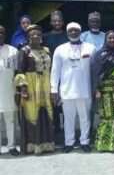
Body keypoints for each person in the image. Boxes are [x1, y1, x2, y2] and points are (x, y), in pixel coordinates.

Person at [51, 22, 96, 153]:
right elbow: (55, 71)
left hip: (85, 89)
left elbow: (95, 70)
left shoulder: (90, 48)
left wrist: (95, 88)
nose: (73, 33)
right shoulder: (60, 49)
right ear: (67, 32)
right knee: (68, 118)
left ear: (80, 32)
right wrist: (54, 89)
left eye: (76, 30)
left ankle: (84, 141)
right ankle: (69, 142)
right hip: (66, 90)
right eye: (71, 30)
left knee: (85, 117)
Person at [15, 25, 55, 155]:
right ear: (28, 37)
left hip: (46, 84)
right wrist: (23, 89)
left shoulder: (47, 50)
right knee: (32, 114)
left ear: (41, 37)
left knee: (46, 112)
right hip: (31, 86)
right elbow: (19, 71)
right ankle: (33, 145)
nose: (35, 36)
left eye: (38, 34)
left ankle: (46, 144)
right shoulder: (24, 51)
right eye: (32, 35)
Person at [90, 31, 114, 152]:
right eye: (110, 38)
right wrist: (96, 89)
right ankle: (105, 144)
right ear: (106, 40)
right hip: (106, 91)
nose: (112, 40)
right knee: (108, 116)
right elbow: (95, 73)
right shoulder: (99, 55)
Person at [42, 10, 68, 143]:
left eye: (59, 20)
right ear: (51, 22)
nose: (57, 23)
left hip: (66, 75)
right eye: (54, 20)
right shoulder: (45, 37)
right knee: (53, 106)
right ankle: (56, 133)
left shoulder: (68, 36)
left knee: (66, 106)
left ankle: (67, 134)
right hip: (50, 74)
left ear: (63, 22)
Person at [0, 26, 19, 156]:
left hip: (8, 90)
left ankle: (12, 146)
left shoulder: (13, 50)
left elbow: (18, 72)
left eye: (1, 32)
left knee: (10, 120)